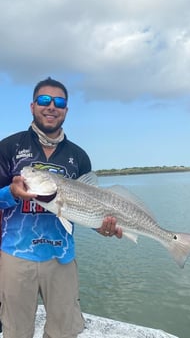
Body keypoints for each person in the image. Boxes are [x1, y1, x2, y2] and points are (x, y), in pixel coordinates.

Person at [0, 77, 122, 338]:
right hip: (16, 256)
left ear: (66, 110)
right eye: (44, 100)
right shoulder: (8, 148)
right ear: (32, 106)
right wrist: (11, 193)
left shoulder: (79, 156)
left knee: (63, 333)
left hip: (62, 257)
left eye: (59, 102)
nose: (51, 106)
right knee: (16, 332)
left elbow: (88, 208)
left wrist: (103, 227)